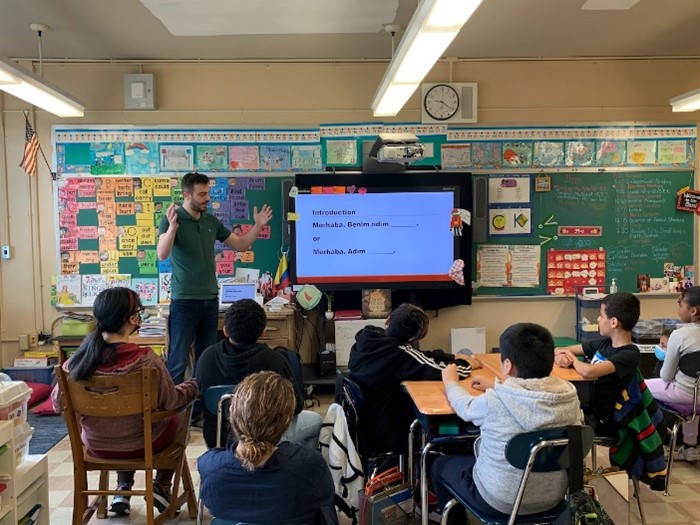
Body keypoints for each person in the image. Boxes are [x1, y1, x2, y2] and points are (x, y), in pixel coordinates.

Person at [50, 287, 197, 516]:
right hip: (142, 445)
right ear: (131, 318)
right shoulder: (146, 360)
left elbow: (57, 404)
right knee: (179, 417)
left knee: (122, 422)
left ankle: (123, 488)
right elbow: (171, 402)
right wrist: (191, 387)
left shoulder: (75, 364)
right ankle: (161, 485)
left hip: (97, 446)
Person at [431, 323, 582, 523]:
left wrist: (450, 382)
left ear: (508, 365)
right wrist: (496, 386)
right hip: (554, 497)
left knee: (438, 464)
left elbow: (464, 406)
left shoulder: (494, 401)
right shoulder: (569, 396)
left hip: (500, 500)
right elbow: (529, 396)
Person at [157, 172, 273, 384]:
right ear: (186, 194)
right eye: (202, 194)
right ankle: (174, 413)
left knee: (206, 358)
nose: (207, 198)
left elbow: (240, 245)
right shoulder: (172, 219)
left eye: (208, 193)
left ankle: (203, 409)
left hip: (210, 300)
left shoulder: (211, 220)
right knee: (177, 359)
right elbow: (162, 253)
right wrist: (173, 228)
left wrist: (257, 225)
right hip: (184, 300)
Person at [198, 371, 338, 524]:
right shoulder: (310, 467)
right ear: (285, 423)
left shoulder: (209, 467)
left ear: (233, 414)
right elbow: (326, 509)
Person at [348, 303, 475, 455]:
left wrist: (452, 356)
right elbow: (440, 370)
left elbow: (420, 356)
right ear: (415, 337)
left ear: (388, 321)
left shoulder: (369, 339)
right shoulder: (399, 354)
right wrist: (467, 364)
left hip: (366, 426)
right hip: (386, 434)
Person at [195, 298, 322, 449]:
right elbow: (297, 407)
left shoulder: (206, 357)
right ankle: (291, 467)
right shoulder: (275, 361)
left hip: (217, 440)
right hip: (264, 440)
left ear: (225, 330)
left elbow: (202, 401)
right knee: (316, 420)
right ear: (263, 331)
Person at [554, 291, 641, 437]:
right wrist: (561, 355)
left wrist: (572, 360)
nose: (598, 319)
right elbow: (564, 349)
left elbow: (590, 371)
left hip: (604, 419)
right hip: (587, 407)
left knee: (554, 418)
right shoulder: (606, 343)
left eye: (601, 315)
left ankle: (570, 457)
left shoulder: (629, 354)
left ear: (613, 322)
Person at [646, 287, 700, 462]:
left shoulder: (680, 335)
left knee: (638, 386)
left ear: (693, 311)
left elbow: (666, 376)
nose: (678, 307)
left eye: (680, 303)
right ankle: (690, 447)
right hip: (695, 395)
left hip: (683, 393)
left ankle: (651, 441)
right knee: (694, 396)